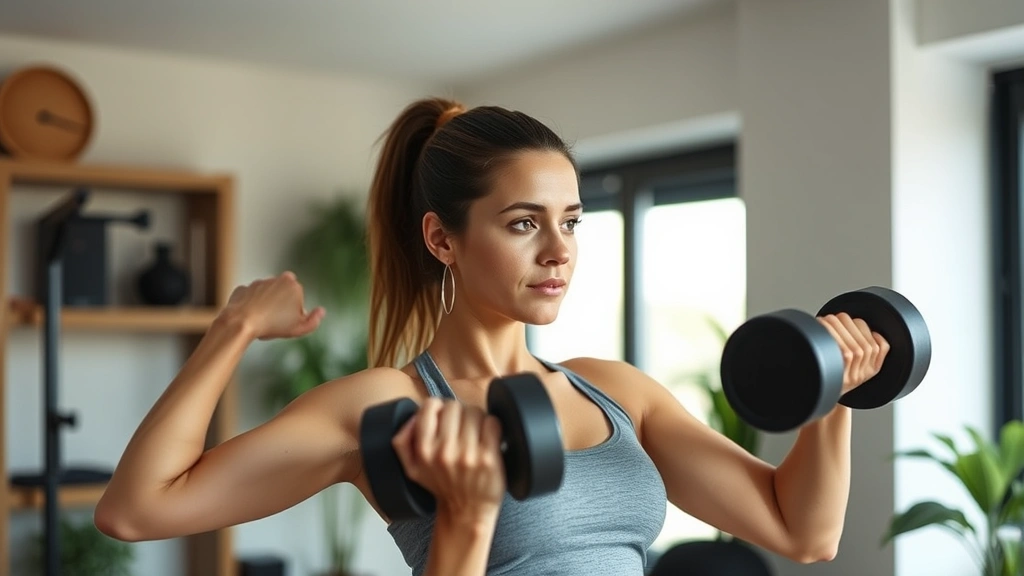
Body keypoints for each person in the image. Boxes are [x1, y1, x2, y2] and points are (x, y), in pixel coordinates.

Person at [94, 97, 890, 576]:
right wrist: (231, 329)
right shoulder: (394, 408)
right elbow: (135, 511)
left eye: (571, 221)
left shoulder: (614, 391)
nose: (559, 250)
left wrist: (833, 390)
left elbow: (802, 531)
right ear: (443, 239)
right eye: (523, 223)